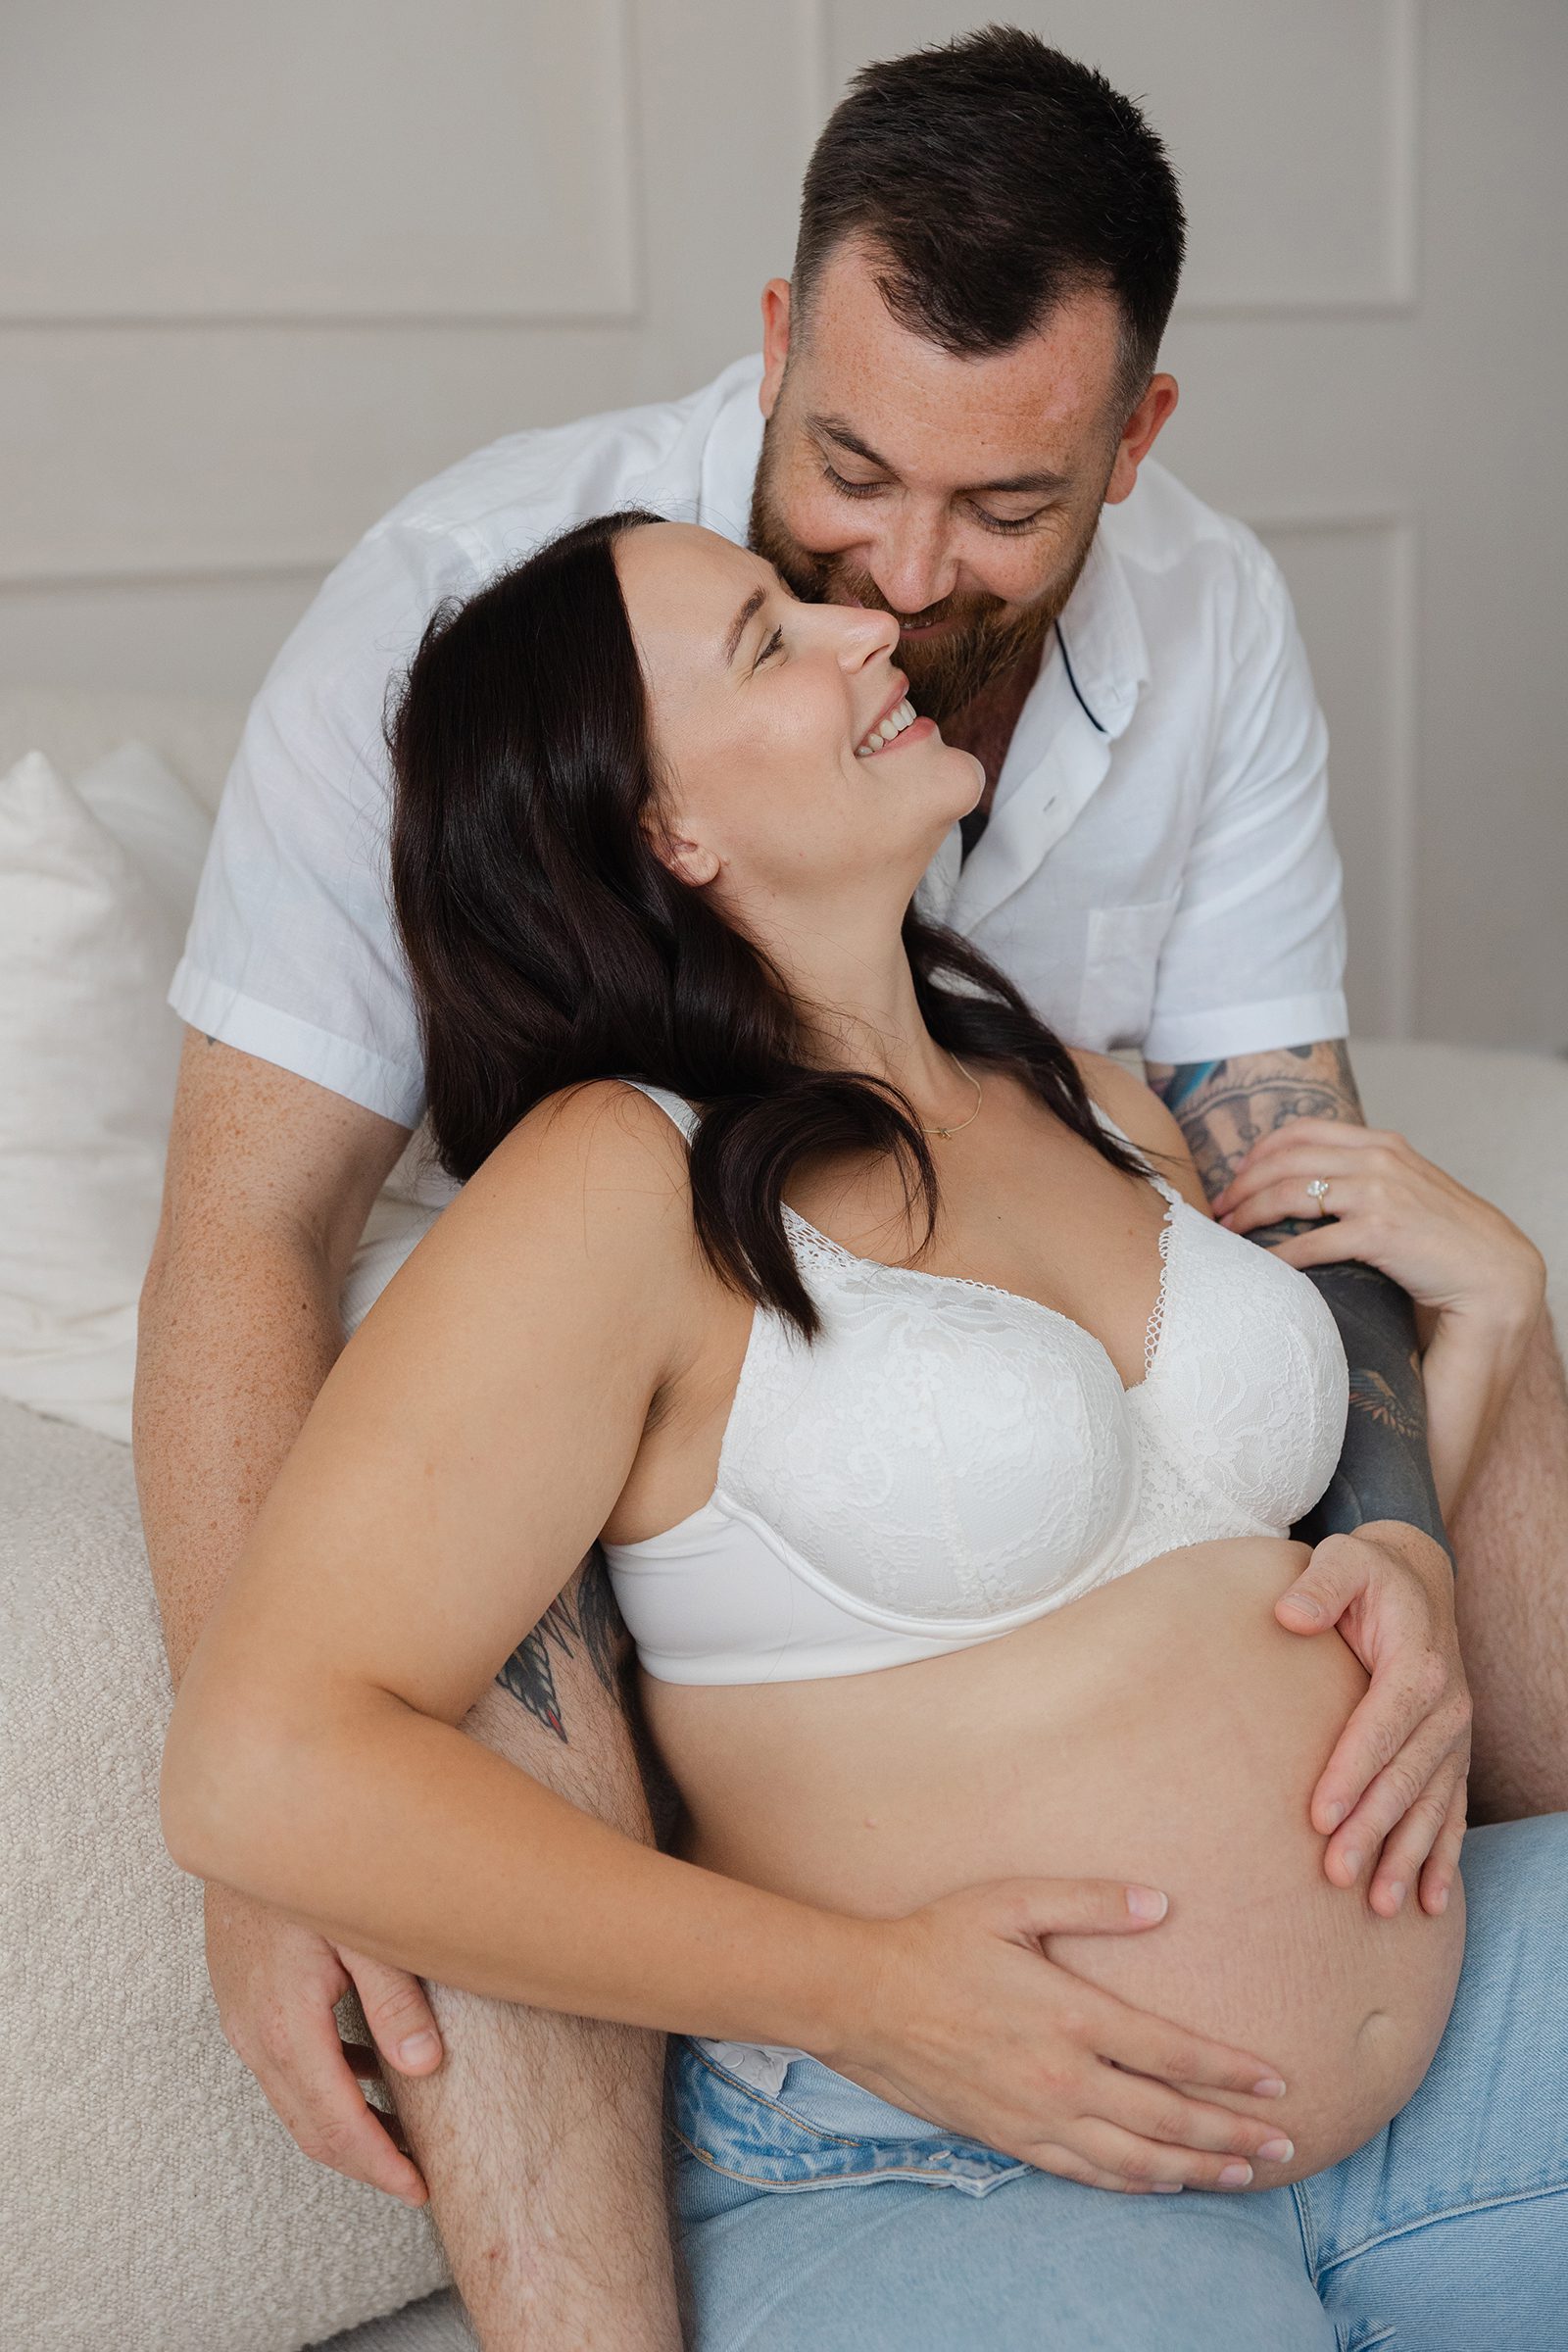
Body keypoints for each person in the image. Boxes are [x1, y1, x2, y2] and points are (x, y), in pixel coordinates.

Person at [134, 26, 1568, 2345]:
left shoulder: (1069, 1065)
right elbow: (245, 1255)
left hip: (1378, 2096)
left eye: (1002, 514)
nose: (892, 595)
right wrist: (298, 1883)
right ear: (777, 340)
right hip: (919, 2108)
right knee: (521, 1619)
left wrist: (1420, 1451)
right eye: (813, 554)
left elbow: (1292, 1159)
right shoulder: (600, 1132)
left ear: (1129, 441)